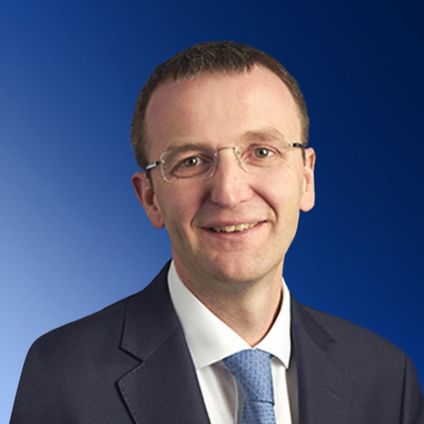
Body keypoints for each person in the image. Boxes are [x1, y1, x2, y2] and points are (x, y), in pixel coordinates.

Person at [11, 41, 423, 424]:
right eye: (191, 161)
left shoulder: (387, 378)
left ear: (306, 177)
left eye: (261, 152)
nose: (228, 192)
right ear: (150, 197)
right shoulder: (65, 376)